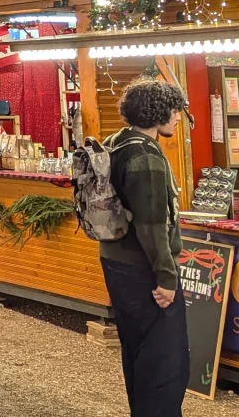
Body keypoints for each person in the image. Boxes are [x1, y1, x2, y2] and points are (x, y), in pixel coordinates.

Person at [100, 78, 191, 417]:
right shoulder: (146, 155)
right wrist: (167, 278)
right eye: (174, 110)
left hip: (116, 260)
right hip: (144, 269)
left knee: (137, 353)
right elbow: (153, 224)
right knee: (164, 363)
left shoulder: (115, 142)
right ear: (157, 112)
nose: (178, 117)